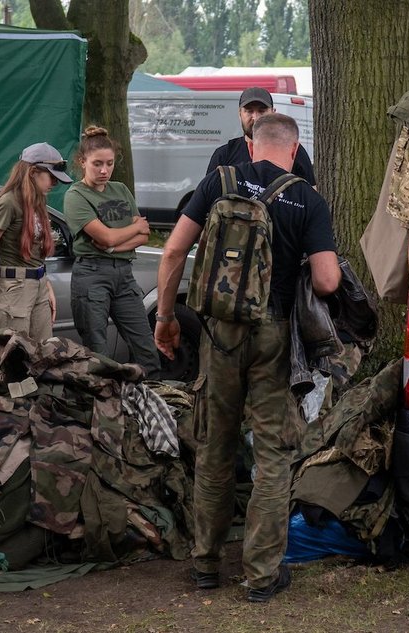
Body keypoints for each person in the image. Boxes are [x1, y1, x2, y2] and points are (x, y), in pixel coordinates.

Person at [155, 112, 340, 603]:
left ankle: (205, 564)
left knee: (215, 446)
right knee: (273, 453)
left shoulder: (219, 181)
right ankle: (261, 574)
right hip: (275, 333)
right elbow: (326, 281)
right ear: (295, 150)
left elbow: (173, 252)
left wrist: (166, 318)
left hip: (219, 332)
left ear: (252, 145)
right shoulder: (308, 197)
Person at [63, 126, 161, 378]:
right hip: (92, 276)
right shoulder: (76, 195)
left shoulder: (121, 189)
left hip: (124, 274)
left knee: (146, 348)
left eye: (109, 163)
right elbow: (106, 235)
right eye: (97, 164)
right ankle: (103, 412)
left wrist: (114, 245)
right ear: (82, 162)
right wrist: (130, 229)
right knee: (97, 354)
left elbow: (143, 234)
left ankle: (148, 408)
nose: (104, 170)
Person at [0, 142, 72, 340]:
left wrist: (45, 285)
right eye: (51, 177)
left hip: (38, 286)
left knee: (44, 355)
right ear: (33, 172)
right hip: (14, 290)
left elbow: (35, 252)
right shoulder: (9, 202)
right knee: (15, 358)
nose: (54, 183)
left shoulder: (37, 201)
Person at [206, 87, 317, 186]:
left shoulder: (293, 151)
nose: (256, 117)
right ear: (240, 114)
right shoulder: (224, 155)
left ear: (273, 112)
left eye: (262, 111)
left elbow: (311, 193)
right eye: (249, 111)